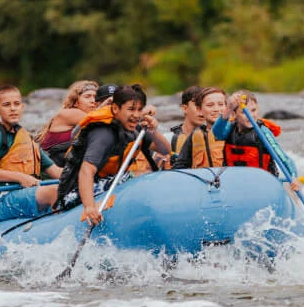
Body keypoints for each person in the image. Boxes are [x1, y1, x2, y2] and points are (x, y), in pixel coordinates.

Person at [54, 84, 163, 224]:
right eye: (131, 109)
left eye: (139, 110)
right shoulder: (103, 133)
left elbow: (165, 150)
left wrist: (153, 131)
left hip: (110, 180)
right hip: (75, 192)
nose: (136, 115)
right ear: (116, 109)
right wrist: (89, 207)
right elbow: (86, 171)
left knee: (144, 175)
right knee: (137, 176)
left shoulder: (135, 128)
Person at [0, 85, 63, 222]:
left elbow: (56, 172)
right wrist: (20, 177)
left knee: (65, 189)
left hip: (24, 195)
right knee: (53, 191)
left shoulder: (28, 140)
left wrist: (86, 175)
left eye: (16, 104)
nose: (13, 108)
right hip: (0, 201)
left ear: (22, 107)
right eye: (7, 105)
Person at [212, 89, 300, 188]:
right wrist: (228, 108)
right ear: (234, 114)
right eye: (244, 112)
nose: (250, 116)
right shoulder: (230, 128)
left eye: (253, 110)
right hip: (235, 183)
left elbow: (283, 158)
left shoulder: (263, 132)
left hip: (263, 184)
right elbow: (217, 133)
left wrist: (294, 177)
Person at [35, 80, 98, 165]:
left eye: (96, 97)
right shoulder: (70, 113)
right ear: (75, 102)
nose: (93, 100)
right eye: (87, 96)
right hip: (49, 168)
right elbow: (101, 122)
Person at [172, 87, 227, 169]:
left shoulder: (236, 132)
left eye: (221, 104)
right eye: (210, 105)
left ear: (227, 107)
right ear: (200, 110)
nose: (216, 109)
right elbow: (180, 166)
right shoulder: (195, 136)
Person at [168, 85, 204, 160]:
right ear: (184, 108)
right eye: (197, 105)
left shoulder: (215, 137)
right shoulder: (168, 139)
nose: (202, 110)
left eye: (205, 105)